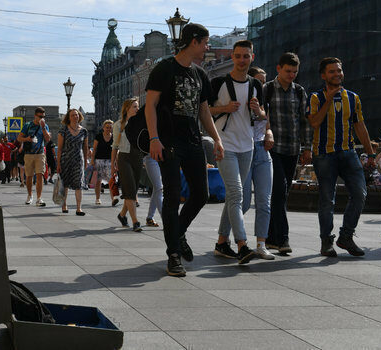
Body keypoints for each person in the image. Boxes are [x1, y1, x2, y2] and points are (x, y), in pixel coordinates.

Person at [145, 23, 224, 277]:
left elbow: (203, 111)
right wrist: (154, 138)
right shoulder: (164, 68)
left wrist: (217, 139)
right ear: (193, 41)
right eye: (205, 43)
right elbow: (150, 106)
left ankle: (178, 234)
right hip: (167, 141)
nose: (207, 47)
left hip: (192, 142)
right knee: (172, 196)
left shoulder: (200, 74)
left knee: (201, 194)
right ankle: (173, 255)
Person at [308, 57, 375, 257]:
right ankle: (326, 241)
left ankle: (346, 236)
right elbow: (314, 122)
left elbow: (359, 126)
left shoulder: (353, 98)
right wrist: (328, 99)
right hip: (324, 154)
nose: (337, 74)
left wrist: (370, 153)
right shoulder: (315, 98)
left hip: (349, 152)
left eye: (339, 70)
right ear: (323, 75)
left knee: (360, 193)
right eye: (331, 71)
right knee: (327, 199)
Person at [209, 40, 266, 264]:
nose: (242, 60)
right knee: (237, 194)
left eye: (246, 56)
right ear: (232, 57)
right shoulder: (219, 83)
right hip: (225, 144)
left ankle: (222, 242)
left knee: (235, 197)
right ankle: (242, 244)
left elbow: (262, 116)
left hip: (247, 145)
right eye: (238, 56)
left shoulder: (256, 85)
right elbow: (205, 111)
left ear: (252, 57)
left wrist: (258, 110)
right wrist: (224, 108)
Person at [221, 66, 275, 260]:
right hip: (242, 148)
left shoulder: (261, 98)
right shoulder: (237, 94)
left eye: (263, 80)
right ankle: (224, 239)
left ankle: (260, 244)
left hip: (261, 150)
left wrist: (267, 129)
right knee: (239, 200)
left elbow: (266, 121)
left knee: (264, 200)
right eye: (258, 80)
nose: (262, 84)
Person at [263, 52, 312, 255]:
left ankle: (270, 237)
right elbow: (262, 117)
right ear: (278, 69)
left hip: (292, 149)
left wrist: (307, 147)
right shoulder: (267, 89)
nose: (291, 75)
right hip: (272, 148)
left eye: (294, 72)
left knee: (282, 194)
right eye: (288, 71)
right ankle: (282, 239)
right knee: (279, 190)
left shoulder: (299, 91)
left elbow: (305, 121)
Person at [112, 98, 144, 232]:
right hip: (124, 157)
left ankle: (122, 215)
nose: (137, 109)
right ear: (127, 109)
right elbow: (115, 146)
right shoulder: (119, 125)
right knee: (130, 189)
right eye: (134, 107)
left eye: (137, 107)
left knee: (132, 190)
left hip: (137, 157)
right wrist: (113, 163)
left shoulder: (142, 124)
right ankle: (136, 222)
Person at [57, 109, 89, 215]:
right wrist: (58, 163)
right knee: (65, 183)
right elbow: (60, 148)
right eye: (72, 115)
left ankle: (79, 208)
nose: (75, 117)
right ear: (68, 117)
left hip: (78, 160)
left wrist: (86, 160)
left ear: (79, 116)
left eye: (76, 115)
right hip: (65, 159)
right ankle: (64, 205)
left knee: (78, 183)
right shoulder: (64, 130)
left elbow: (85, 148)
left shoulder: (84, 131)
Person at [18, 107, 51, 206]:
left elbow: (48, 139)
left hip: (40, 154)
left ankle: (39, 198)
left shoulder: (45, 126)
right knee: (29, 176)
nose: (42, 118)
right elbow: (19, 138)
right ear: (35, 116)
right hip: (28, 154)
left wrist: (44, 128)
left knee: (40, 175)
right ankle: (29, 195)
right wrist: (27, 139)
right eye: (40, 116)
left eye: (43, 117)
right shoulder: (28, 125)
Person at [91, 120, 116, 206]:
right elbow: (94, 149)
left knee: (111, 181)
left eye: (110, 127)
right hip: (99, 160)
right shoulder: (98, 136)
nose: (108, 129)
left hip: (110, 160)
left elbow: (116, 150)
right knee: (98, 181)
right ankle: (97, 198)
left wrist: (115, 162)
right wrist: (92, 160)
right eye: (107, 127)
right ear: (103, 128)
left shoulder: (114, 137)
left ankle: (113, 199)